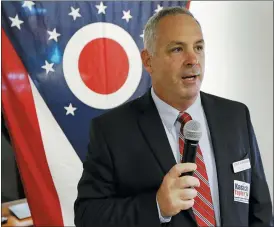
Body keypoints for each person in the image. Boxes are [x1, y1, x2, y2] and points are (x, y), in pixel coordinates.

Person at [74, 6, 273, 227]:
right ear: (148, 60)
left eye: (198, 47)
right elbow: (87, 215)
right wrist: (157, 206)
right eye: (177, 49)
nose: (192, 59)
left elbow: (260, 208)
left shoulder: (235, 116)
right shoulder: (112, 130)